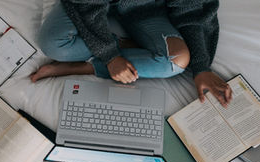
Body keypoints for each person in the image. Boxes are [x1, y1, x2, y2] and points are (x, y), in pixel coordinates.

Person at [30, 0, 232, 107]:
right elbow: (87, 6)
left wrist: (200, 67)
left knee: (175, 61)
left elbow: (190, 11)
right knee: (52, 44)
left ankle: (87, 66)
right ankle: (124, 46)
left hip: (145, 10)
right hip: (88, 4)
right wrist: (109, 55)